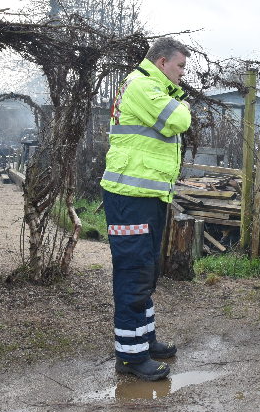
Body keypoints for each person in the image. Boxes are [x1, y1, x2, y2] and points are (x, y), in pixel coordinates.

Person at [100, 37, 192, 381]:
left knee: (147, 270)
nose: (183, 74)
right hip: (130, 198)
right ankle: (130, 357)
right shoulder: (141, 86)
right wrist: (178, 105)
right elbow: (180, 120)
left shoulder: (152, 88)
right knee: (134, 272)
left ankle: (144, 340)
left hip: (147, 197)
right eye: (180, 66)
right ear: (162, 62)